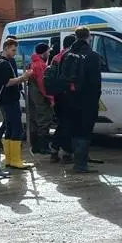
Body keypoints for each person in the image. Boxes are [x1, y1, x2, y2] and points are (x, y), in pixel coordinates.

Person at [62, 27, 102, 174]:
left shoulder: (67, 54)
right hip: (87, 99)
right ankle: (81, 164)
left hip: (69, 99)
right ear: (88, 37)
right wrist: (95, 99)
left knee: (74, 129)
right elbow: (95, 82)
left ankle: (78, 160)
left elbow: (62, 77)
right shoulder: (92, 56)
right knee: (85, 131)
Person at [0, 38, 33, 169]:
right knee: (17, 128)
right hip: (8, 99)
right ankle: (15, 159)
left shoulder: (6, 61)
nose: (15, 52)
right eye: (13, 50)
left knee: (9, 127)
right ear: (6, 48)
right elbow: (7, 82)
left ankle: (10, 159)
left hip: (8, 98)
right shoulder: (2, 63)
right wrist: (23, 77)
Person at [48, 34, 77, 163]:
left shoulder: (56, 57)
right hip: (68, 95)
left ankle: (55, 150)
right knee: (68, 125)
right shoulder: (70, 57)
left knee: (63, 124)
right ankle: (65, 152)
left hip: (58, 95)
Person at [28, 42, 54, 155]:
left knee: (34, 120)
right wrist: (51, 98)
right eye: (48, 51)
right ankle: (43, 147)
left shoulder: (33, 63)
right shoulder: (40, 65)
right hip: (40, 97)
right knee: (44, 120)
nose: (49, 53)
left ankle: (36, 146)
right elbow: (42, 84)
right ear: (44, 52)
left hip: (33, 95)